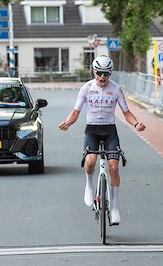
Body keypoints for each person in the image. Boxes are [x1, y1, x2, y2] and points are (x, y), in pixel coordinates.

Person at [58, 55, 146, 225]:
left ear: (110, 73)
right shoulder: (86, 88)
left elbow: (126, 112)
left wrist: (136, 124)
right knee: (90, 160)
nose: (102, 77)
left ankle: (114, 208)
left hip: (109, 131)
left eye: (106, 73)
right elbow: (76, 112)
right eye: (99, 73)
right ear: (94, 72)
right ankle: (89, 187)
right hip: (92, 129)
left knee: (114, 166)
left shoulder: (116, 89)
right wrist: (67, 123)